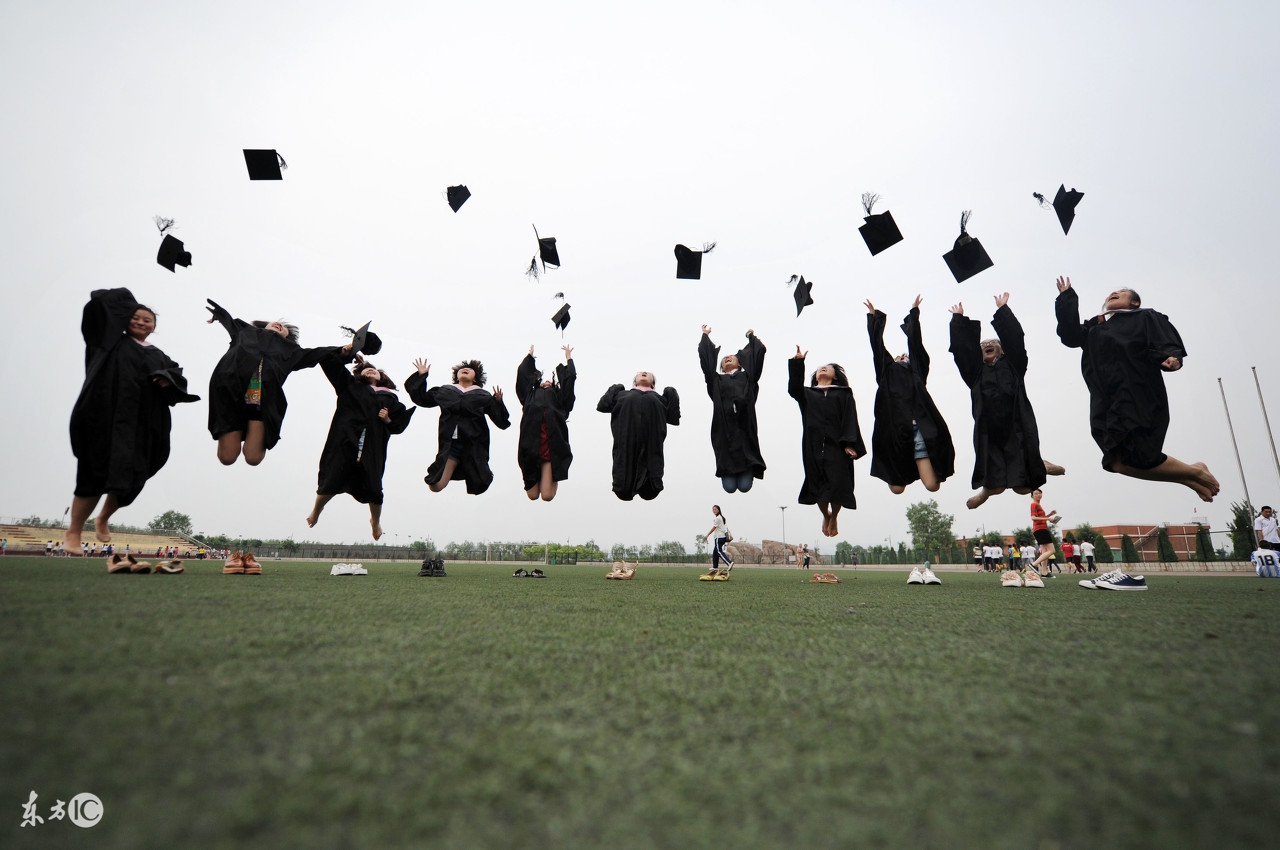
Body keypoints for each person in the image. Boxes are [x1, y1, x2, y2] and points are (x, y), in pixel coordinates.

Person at [1054, 277, 1219, 501]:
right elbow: (1070, 336)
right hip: (1104, 400)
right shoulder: (1097, 324)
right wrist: (1067, 299)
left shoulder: (1145, 317)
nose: (1114, 293)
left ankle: (1194, 474)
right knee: (1116, 462)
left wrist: (1172, 358)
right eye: (1112, 292)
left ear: (1134, 303)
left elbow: (1166, 343)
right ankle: (1190, 475)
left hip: (1137, 393)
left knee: (1139, 453)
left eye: (1122, 292)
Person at [64, 288, 199, 554]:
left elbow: (177, 382)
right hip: (103, 419)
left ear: (154, 327)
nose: (141, 322)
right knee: (92, 474)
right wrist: (129, 301)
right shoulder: (107, 341)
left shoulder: (160, 355)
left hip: (141, 427)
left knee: (134, 476)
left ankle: (103, 517)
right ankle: (74, 532)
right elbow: (99, 304)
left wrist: (166, 380)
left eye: (147, 320)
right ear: (125, 318)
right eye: (135, 317)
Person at [949, 293, 1065, 510]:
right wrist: (958, 320)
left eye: (993, 343)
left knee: (1022, 488)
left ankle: (1040, 464)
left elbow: (1015, 339)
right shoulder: (974, 373)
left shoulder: (1014, 366)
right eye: (983, 344)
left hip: (1016, 425)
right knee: (997, 486)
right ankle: (985, 492)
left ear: (1001, 349)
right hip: (989, 430)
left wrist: (1003, 310)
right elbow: (961, 352)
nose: (988, 344)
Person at [204, 299, 337, 466]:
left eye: (284, 327)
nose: (279, 325)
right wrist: (220, 314)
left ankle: (252, 425)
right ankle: (236, 427)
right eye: (275, 323)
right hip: (232, 390)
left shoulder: (293, 352)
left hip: (262, 400)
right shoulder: (245, 331)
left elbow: (320, 353)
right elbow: (229, 321)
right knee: (227, 458)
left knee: (253, 458)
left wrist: (346, 350)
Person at [306, 346, 414, 540]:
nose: (371, 370)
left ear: (382, 377)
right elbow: (330, 362)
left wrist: (388, 420)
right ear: (358, 375)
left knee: (374, 485)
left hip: (372, 445)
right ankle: (316, 510)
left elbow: (398, 425)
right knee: (332, 477)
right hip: (345, 440)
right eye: (366, 369)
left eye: (375, 370)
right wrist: (347, 353)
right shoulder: (349, 386)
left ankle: (375, 521)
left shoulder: (390, 397)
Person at [865, 297, 955, 494]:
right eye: (899, 356)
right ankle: (907, 466)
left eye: (905, 356)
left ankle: (919, 463)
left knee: (932, 486)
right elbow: (877, 349)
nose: (902, 357)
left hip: (921, 431)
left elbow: (916, 345)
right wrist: (873, 319)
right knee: (897, 489)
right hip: (896, 435)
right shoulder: (886, 373)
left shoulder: (917, 372)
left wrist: (914, 314)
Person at [788, 346, 866, 537]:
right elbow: (793, 389)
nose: (823, 368)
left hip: (838, 447)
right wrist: (798, 363)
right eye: (820, 368)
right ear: (815, 377)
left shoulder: (844, 393)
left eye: (828, 368)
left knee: (837, 485)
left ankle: (835, 515)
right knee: (817, 486)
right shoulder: (807, 394)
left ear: (836, 376)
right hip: (812, 446)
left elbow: (850, 418)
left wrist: (849, 443)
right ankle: (826, 514)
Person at [407, 357, 510, 495]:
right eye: (462, 369)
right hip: (452, 446)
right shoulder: (445, 391)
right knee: (436, 485)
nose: (465, 369)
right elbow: (421, 399)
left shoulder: (483, 396)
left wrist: (498, 403)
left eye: (470, 369)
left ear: (475, 378)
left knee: (479, 476)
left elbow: (502, 422)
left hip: (473, 445)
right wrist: (421, 376)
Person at [698, 326, 766, 493]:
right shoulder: (716, 381)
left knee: (744, 487)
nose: (727, 358)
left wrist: (751, 337)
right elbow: (706, 363)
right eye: (724, 359)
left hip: (744, 426)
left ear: (741, 363)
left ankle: (747, 466)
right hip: (724, 428)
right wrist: (705, 337)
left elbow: (759, 353)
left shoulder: (748, 378)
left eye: (732, 357)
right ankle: (729, 469)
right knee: (729, 488)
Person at [596, 372, 681, 501]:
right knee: (623, 487)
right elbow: (602, 405)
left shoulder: (661, 399)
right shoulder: (622, 395)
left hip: (651, 445)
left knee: (651, 488)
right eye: (639, 374)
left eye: (648, 374)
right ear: (635, 382)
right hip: (627, 442)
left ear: (653, 384)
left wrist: (671, 393)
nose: (644, 372)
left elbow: (674, 418)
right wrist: (616, 388)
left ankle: (649, 485)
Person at [515, 345, 575, 501]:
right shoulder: (530, 396)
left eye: (551, 382)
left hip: (551, 446)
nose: (547, 381)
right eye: (544, 381)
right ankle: (541, 477)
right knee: (533, 495)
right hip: (530, 446)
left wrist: (569, 358)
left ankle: (552, 476)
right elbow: (522, 377)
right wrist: (529, 358)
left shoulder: (560, 399)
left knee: (547, 496)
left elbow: (569, 382)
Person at [1027, 489, 1061, 577]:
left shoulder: (1038, 505)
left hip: (1040, 529)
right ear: (1032, 496)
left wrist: (1049, 515)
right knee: (1051, 550)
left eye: (1040, 493)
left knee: (1045, 551)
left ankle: (1044, 572)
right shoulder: (1034, 504)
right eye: (1036, 493)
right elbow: (1033, 517)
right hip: (1040, 530)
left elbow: (1040, 517)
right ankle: (1033, 564)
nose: (1038, 495)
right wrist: (1048, 519)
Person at [701, 504, 734, 579]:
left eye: (715, 509)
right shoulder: (721, 518)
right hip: (722, 537)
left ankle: (729, 563)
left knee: (719, 551)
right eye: (713, 509)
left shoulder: (718, 518)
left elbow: (714, 528)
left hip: (719, 538)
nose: (714, 510)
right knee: (715, 552)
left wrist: (707, 535)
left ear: (718, 510)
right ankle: (715, 568)